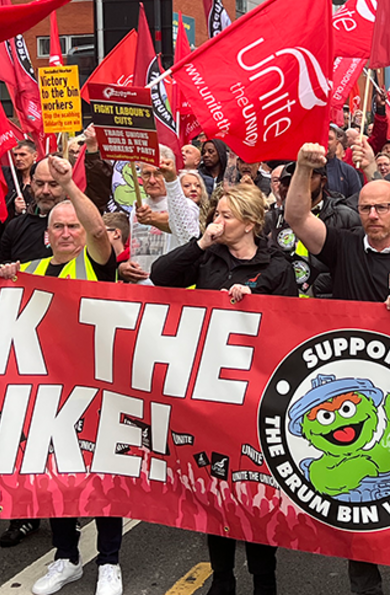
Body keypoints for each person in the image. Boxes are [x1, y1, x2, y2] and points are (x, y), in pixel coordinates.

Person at [286, 142, 390, 595]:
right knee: (353, 501)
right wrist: (305, 168)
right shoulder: (344, 248)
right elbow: (297, 219)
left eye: (382, 207)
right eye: (366, 207)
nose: (373, 215)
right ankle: (364, 584)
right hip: (350, 401)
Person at [151, 184, 296, 595]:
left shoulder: (277, 266)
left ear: (250, 223)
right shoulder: (207, 258)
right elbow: (162, 277)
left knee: (255, 494)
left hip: (255, 397)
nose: (218, 220)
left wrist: (257, 300)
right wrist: (201, 241)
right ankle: (224, 578)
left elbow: (292, 325)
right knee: (215, 489)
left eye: (227, 216)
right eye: (217, 213)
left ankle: (263, 578)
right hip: (209, 395)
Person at [0, 157, 124, 595]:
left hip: (96, 392)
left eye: (73, 226)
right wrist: (4, 278)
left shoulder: (96, 264)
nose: (67, 232)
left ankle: (108, 561)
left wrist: (68, 186)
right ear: (47, 234)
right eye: (58, 227)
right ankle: (66, 557)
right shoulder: (28, 271)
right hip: (45, 396)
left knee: (104, 479)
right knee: (53, 478)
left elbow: (102, 233)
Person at [265, 162, 358, 298]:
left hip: (326, 304)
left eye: (308, 176)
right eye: (295, 177)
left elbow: (356, 266)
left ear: (323, 181)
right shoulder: (272, 218)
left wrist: (316, 285)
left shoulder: (345, 217)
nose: (300, 183)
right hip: (282, 303)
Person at [119, 148, 199, 284]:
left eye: (158, 174)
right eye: (146, 174)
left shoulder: (186, 205)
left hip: (169, 287)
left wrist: (152, 218)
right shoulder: (137, 207)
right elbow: (131, 247)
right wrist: (123, 267)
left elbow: (186, 232)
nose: (151, 180)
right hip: (138, 287)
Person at [325, 126, 364, 198]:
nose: (325, 141)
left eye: (329, 138)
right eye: (322, 137)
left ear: (337, 143)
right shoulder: (305, 168)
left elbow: (355, 200)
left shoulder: (348, 172)